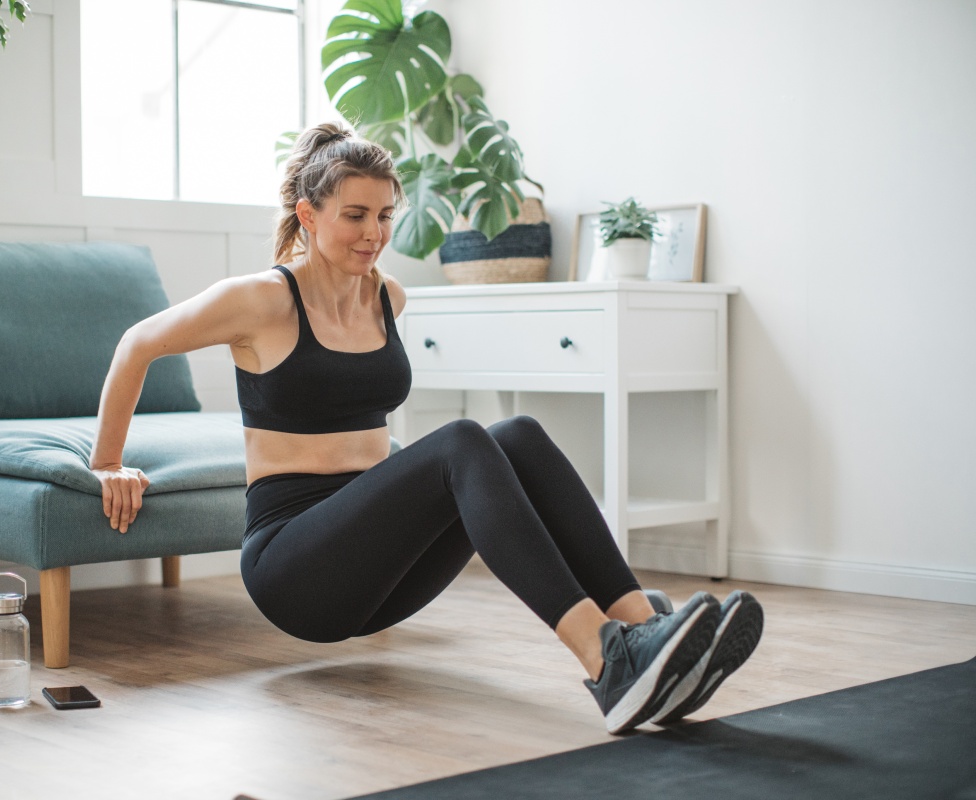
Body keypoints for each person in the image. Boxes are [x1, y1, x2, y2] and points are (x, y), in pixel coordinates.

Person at [87, 122, 763, 734]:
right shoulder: (261, 300)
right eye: (354, 215)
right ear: (307, 214)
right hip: (294, 567)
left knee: (519, 434)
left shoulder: (388, 295)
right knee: (462, 442)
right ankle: (606, 658)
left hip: (378, 573)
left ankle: (649, 634)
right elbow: (136, 344)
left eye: (383, 215)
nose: (373, 233)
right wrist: (106, 461)